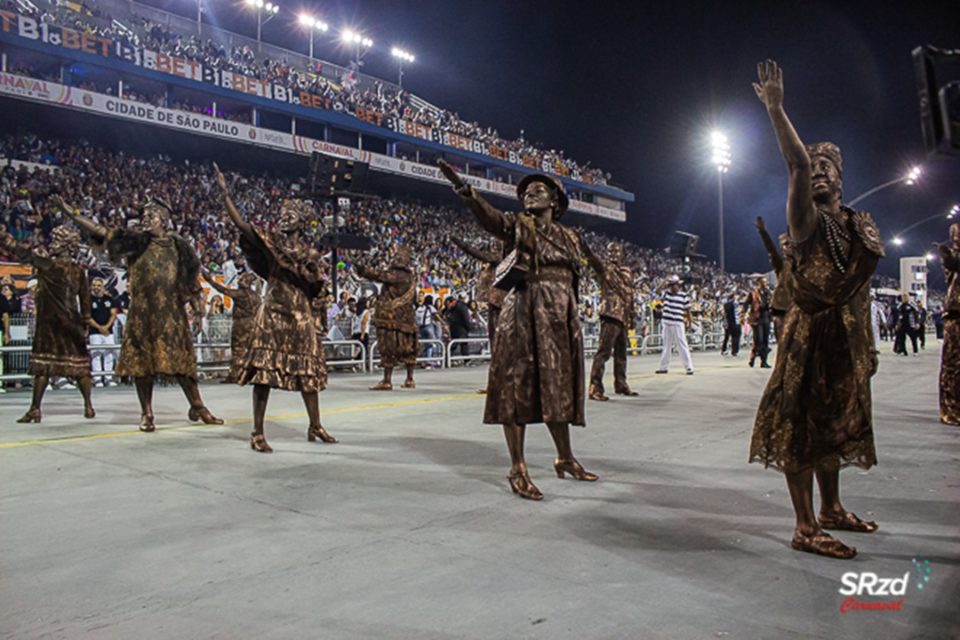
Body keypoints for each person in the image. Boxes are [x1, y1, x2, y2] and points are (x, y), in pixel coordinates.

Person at [750, 60, 883, 559]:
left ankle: (831, 509)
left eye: (828, 166)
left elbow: (862, 292)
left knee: (835, 425)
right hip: (808, 337)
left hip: (846, 340)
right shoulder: (804, 222)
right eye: (814, 165)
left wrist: (865, 346)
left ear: (843, 181)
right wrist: (776, 110)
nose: (818, 171)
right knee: (801, 428)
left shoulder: (855, 224)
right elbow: (796, 165)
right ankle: (805, 525)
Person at [440, 159, 597, 501]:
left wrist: (572, 316)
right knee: (516, 386)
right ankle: (517, 467)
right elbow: (491, 218)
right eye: (525, 192)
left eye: (537, 190)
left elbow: (575, 279)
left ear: (555, 200)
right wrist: (467, 193)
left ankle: (565, 457)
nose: (529, 195)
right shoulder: (517, 225)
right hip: (523, 310)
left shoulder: (570, 236)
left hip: (559, 315)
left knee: (557, 387)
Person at [60, 195, 223, 432]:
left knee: (182, 364)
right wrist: (72, 214)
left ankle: (197, 405)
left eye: (151, 216)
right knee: (142, 366)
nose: (145, 219)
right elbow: (102, 232)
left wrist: (197, 311)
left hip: (172, 314)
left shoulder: (179, 245)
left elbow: (190, 279)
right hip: (142, 314)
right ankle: (147, 412)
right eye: (143, 216)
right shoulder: (136, 241)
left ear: (164, 220)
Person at [214, 164, 336, 452]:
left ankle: (315, 424)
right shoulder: (272, 243)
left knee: (307, 373)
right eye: (282, 215)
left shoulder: (310, 254)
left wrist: (317, 312)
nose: (283, 218)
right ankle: (257, 432)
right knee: (264, 374)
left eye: (290, 215)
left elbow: (317, 289)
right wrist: (226, 195)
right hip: (272, 315)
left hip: (301, 316)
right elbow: (243, 226)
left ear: (302, 223)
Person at [0, 226, 95, 421]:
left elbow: (24, 253)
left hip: (50, 323)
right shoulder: (78, 271)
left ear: (67, 246)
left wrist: (6, 240)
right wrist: (85, 321)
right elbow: (85, 301)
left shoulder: (49, 265)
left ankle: (36, 408)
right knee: (80, 366)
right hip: (71, 322)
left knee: (43, 366)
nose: (53, 244)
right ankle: (88, 406)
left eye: (57, 240)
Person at [356, 246, 419, 390]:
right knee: (409, 348)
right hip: (407, 317)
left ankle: (387, 380)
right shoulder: (410, 276)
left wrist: (362, 269)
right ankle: (409, 379)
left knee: (388, 347)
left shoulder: (397, 275)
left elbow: (378, 275)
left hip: (391, 316)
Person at [583, 241, 638, 401]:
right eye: (610, 251)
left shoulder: (627, 271)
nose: (613, 254)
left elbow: (629, 294)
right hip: (610, 314)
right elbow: (593, 261)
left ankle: (621, 383)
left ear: (622, 253)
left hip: (623, 315)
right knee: (604, 352)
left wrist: (631, 316)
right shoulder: (605, 268)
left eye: (616, 251)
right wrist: (586, 249)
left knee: (621, 353)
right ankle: (594, 387)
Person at [202, 269, 262, 384]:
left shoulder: (241, 294)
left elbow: (224, 290)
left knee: (237, 348)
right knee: (250, 349)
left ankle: (235, 374)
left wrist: (210, 281)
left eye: (242, 278)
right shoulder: (256, 296)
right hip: (253, 323)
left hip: (241, 323)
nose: (239, 280)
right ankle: (249, 374)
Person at [755, 216, 794, 343]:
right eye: (785, 244)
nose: (788, 247)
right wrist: (763, 232)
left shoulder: (801, 262)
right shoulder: (781, 263)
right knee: (784, 342)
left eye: (790, 244)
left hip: (798, 306)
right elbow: (771, 249)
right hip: (782, 307)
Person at [936, 224, 960, 425]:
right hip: (955, 313)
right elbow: (953, 264)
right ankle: (950, 408)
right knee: (952, 364)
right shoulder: (950, 256)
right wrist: (947, 255)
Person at [655, 275, 694, 375]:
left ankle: (689, 367)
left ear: (678, 285)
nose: (672, 287)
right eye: (671, 285)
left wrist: (690, 323)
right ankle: (663, 367)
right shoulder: (666, 293)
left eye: (674, 285)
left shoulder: (683, 296)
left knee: (682, 344)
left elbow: (688, 311)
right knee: (666, 346)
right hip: (666, 322)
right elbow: (657, 291)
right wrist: (664, 280)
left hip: (677, 322)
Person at [88, 277, 118, 387]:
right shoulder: (88, 300)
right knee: (96, 354)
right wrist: (99, 327)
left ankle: (108, 378)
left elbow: (113, 314)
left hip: (108, 332)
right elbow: (88, 317)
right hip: (94, 332)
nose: (96, 288)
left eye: (98, 285)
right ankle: (97, 378)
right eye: (94, 285)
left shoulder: (110, 300)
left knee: (109, 354)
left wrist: (106, 327)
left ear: (103, 287)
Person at [746, 276, 772, 368]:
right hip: (757, 319)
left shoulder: (768, 293)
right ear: (759, 284)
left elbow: (771, 304)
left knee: (765, 340)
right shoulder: (753, 294)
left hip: (766, 318)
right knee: (758, 340)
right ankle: (753, 356)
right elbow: (746, 304)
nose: (765, 284)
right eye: (763, 282)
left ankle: (764, 361)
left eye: (766, 282)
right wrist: (743, 315)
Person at [721, 289, 742, 357]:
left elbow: (724, 315)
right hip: (735, 322)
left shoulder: (726, 305)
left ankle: (724, 349)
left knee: (727, 337)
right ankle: (735, 351)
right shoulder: (736, 304)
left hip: (729, 323)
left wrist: (725, 323)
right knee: (736, 337)